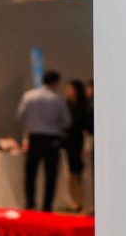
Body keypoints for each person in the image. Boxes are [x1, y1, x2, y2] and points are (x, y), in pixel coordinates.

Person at [17, 70, 71, 211]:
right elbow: (67, 121)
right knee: (51, 175)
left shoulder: (29, 96)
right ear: (56, 83)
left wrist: (32, 125)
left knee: (31, 173)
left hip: (35, 138)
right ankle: (47, 206)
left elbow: (21, 117)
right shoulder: (57, 99)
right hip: (52, 139)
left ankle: (30, 203)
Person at [64, 79, 90, 212]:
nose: (67, 92)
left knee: (79, 173)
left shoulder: (83, 106)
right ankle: (75, 200)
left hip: (79, 141)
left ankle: (82, 200)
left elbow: (86, 127)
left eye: (70, 89)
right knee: (72, 173)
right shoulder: (66, 105)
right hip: (69, 142)